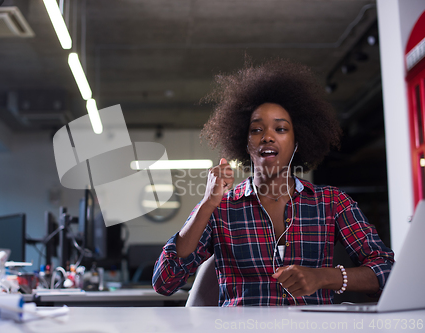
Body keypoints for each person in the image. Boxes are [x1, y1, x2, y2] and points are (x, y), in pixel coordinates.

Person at [152, 59, 394, 306]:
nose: (267, 136)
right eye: (256, 130)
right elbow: (165, 281)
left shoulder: (332, 203)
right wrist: (206, 204)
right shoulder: (220, 208)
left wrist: (324, 277)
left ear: (297, 141)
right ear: (244, 143)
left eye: (280, 129)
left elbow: (386, 272)